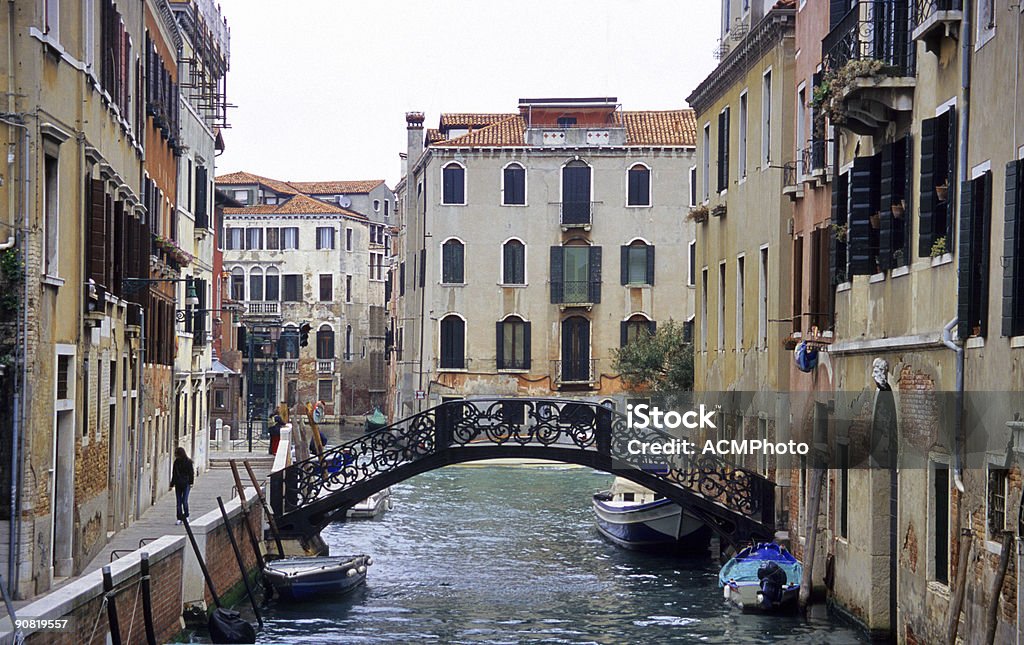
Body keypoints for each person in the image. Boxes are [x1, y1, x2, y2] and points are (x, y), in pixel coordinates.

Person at [172, 447, 194, 525]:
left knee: (184, 501)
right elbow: (174, 473)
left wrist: (191, 482)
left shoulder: (188, 462)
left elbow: (191, 473)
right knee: (178, 502)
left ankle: (186, 516)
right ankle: (179, 517)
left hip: (186, 484)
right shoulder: (176, 462)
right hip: (178, 484)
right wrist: (172, 484)